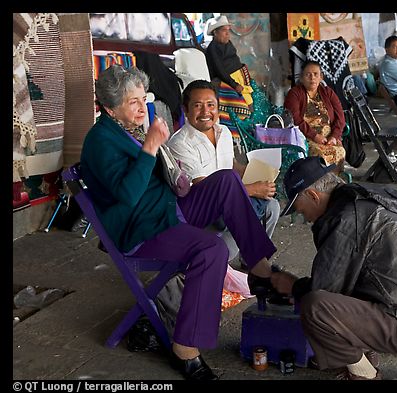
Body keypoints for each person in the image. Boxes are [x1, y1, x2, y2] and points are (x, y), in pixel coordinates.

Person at [80, 64, 277, 380]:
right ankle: (185, 350)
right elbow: (129, 195)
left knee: (227, 180)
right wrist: (150, 147)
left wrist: (163, 157)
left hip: (167, 209)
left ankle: (260, 267)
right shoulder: (100, 141)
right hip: (141, 227)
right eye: (133, 101)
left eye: (143, 98)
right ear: (108, 107)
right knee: (210, 249)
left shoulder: (129, 128)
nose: (142, 106)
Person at [271, 156, 397, 380]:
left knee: (315, 308)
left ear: (313, 196)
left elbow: (326, 289)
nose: (304, 218)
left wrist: (292, 285)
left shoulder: (346, 219)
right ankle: (359, 353)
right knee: (346, 288)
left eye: (299, 209)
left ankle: (366, 375)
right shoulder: (357, 200)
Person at [167, 79, 280, 263]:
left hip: (231, 196)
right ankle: (216, 263)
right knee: (241, 221)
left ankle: (250, 260)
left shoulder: (224, 132)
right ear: (186, 110)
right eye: (197, 105)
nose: (205, 112)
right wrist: (253, 189)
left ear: (218, 108)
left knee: (272, 206)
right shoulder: (179, 143)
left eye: (211, 105)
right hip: (205, 210)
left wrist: (259, 171)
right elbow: (205, 188)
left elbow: (231, 164)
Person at [284, 60, 347, 172]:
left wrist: (334, 136)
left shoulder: (328, 92)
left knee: (340, 151)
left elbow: (340, 117)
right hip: (306, 137)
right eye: (308, 75)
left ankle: (335, 184)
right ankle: (320, 185)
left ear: (321, 77)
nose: (312, 78)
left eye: (315, 74)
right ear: (302, 78)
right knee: (320, 154)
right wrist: (315, 136)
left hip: (329, 138)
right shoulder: (294, 94)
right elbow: (295, 119)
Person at [204, 15, 254, 136]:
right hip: (224, 80)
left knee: (253, 100)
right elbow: (220, 70)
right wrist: (234, 84)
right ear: (215, 33)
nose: (227, 34)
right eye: (224, 31)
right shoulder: (213, 48)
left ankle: (250, 131)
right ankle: (237, 133)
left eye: (228, 31)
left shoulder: (228, 43)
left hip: (239, 77)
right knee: (243, 104)